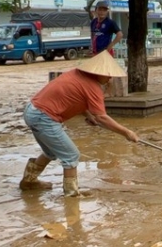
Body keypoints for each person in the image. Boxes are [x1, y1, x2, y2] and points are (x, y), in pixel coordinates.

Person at [19, 51, 140, 197]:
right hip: (43, 117)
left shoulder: (76, 74)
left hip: (32, 111)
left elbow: (75, 98)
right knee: (71, 156)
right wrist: (127, 132)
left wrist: (88, 114)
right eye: (108, 75)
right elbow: (102, 117)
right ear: (97, 72)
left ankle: (29, 181)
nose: (109, 78)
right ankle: (71, 195)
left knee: (51, 152)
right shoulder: (92, 87)